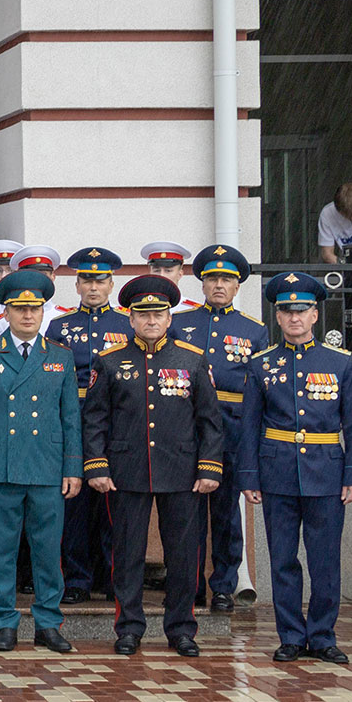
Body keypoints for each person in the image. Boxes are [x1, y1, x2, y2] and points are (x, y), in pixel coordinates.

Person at [82, 275, 223, 657]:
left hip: (181, 472)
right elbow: (95, 418)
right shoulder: (110, 361)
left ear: (169, 318)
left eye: (158, 314)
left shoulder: (191, 359)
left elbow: (210, 420)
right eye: (143, 315)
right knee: (127, 555)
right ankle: (128, 627)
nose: (151, 321)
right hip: (126, 472)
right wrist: (96, 466)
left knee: (183, 555)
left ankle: (181, 629)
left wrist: (209, 468)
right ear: (130, 320)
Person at [0, 270, 82, 653]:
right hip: (1, 464)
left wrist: (73, 467)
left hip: (46, 466)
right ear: (6, 312)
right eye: (20, 309)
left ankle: (48, 622)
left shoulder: (59, 356)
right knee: (2, 548)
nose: (28, 315)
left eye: (35, 308)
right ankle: (5, 622)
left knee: (47, 549)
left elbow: (70, 416)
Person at [239, 272, 352, 664]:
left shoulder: (341, 363)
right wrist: (250, 476)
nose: (294, 318)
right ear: (277, 316)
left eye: (302, 311)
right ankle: (290, 635)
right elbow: (250, 424)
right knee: (283, 559)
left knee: (324, 561)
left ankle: (322, 636)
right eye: (287, 311)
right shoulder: (261, 365)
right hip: (277, 473)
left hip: (327, 473)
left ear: (315, 315)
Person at [171, 244, 268, 611]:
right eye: (212, 278)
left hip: (232, 430)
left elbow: (259, 392)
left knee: (226, 514)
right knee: (185, 513)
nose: (218, 285)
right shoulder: (180, 324)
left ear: (238, 285)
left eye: (226, 279)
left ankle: (224, 585)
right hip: (185, 428)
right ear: (202, 283)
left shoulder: (253, 331)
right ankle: (190, 584)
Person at [48, 247, 132, 603]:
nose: (93, 287)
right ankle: (77, 579)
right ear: (77, 284)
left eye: (100, 280)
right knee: (74, 503)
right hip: (72, 419)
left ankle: (113, 576)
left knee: (112, 502)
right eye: (86, 280)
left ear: (111, 283)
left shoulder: (127, 323)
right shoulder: (59, 326)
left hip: (115, 422)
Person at [317, 181, 352, 264]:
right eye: (348, 215)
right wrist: (344, 264)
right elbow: (327, 254)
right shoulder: (327, 214)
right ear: (338, 210)